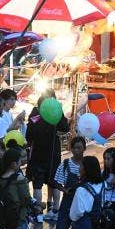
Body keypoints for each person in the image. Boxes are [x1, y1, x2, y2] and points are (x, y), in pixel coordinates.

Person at [37, 136, 86, 229]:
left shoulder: (88, 165)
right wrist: (65, 190)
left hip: (81, 207)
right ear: (71, 149)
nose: (77, 150)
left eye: (79, 147)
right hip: (66, 205)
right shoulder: (65, 164)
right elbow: (56, 182)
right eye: (74, 147)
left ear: (84, 148)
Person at [26, 91, 69, 222]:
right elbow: (65, 127)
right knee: (55, 182)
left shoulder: (34, 115)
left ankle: (38, 213)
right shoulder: (56, 112)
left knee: (37, 185)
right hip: (53, 155)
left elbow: (29, 137)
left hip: (37, 155)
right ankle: (55, 210)